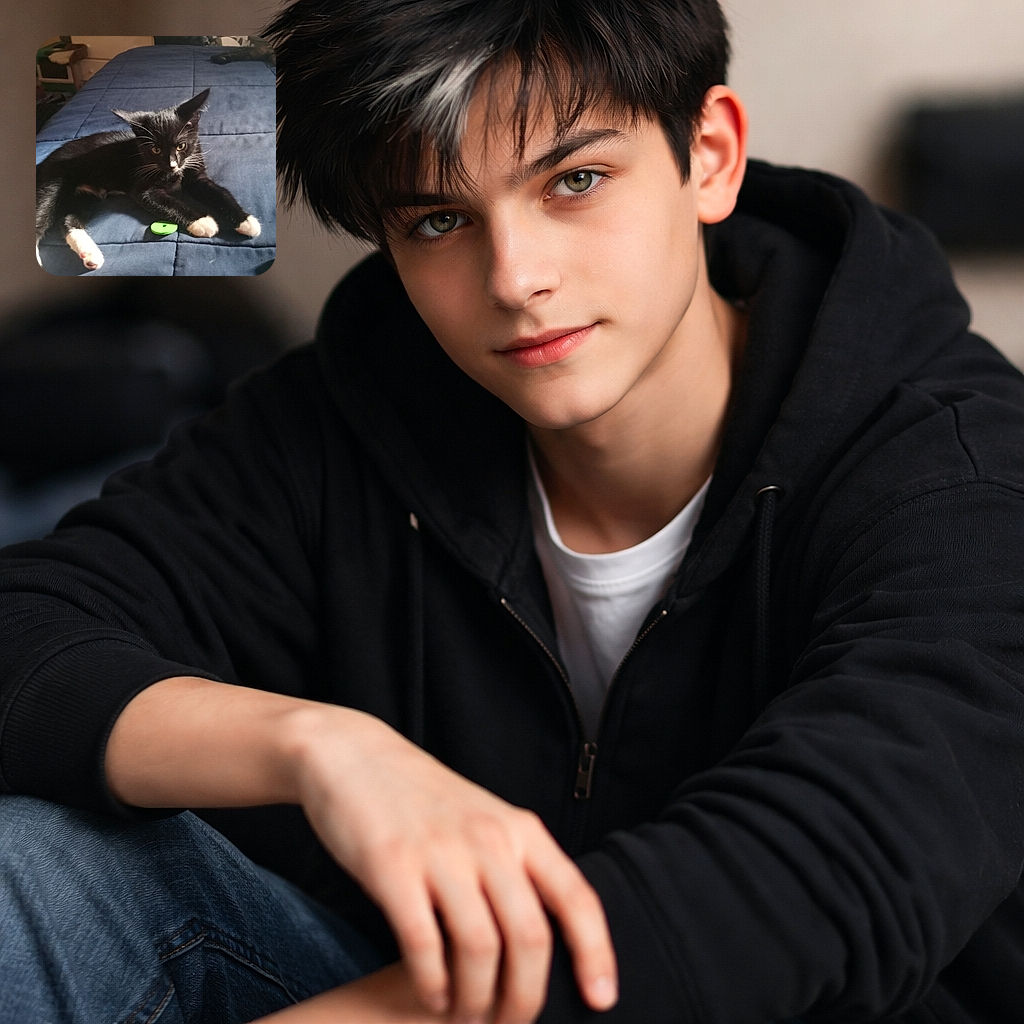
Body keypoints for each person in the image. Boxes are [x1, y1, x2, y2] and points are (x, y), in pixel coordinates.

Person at [2, 1, 1023, 1021]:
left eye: (574, 182)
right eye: (439, 219)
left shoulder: (962, 476)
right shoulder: (345, 416)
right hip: (433, 978)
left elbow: (803, 889)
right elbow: (30, 622)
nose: (515, 279)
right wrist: (322, 751)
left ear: (708, 156)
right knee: (31, 863)